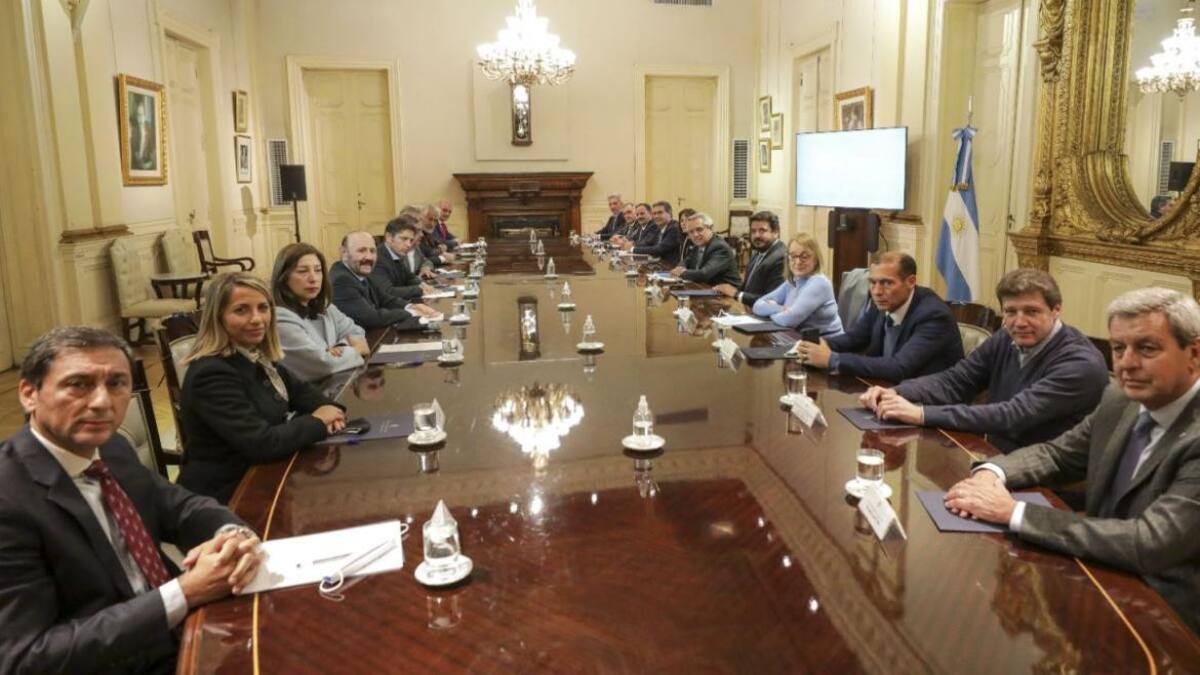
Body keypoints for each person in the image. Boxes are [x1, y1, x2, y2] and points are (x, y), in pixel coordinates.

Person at [0, 327, 263, 673]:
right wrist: (184, 592)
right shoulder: (9, 498)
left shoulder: (111, 448)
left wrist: (233, 535)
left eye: (117, 384)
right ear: (29, 393)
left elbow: (181, 506)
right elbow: (26, 657)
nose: (102, 402)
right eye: (78, 384)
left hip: (189, 631)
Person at [945, 288, 1200, 634]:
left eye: (1147, 348)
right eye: (1119, 348)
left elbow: (1148, 542)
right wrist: (994, 473)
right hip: (1100, 575)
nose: (1126, 363)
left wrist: (1013, 512)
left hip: (1169, 615)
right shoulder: (1119, 400)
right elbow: (1057, 453)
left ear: (1195, 354)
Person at [860, 269, 1109, 452]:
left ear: (1056, 310)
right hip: (993, 457)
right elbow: (956, 380)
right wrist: (896, 393)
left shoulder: (1080, 364)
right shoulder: (1007, 336)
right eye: (1010, 312)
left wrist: (921, 414)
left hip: (1047, 477)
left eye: (1032, 311)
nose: (1019, 322)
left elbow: (1012, 415)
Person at [177, 272, 346, 503]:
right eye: (241, 310)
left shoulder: (253, 355)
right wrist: (318, 421)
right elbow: (262, 443)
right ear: (218, 317)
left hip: (263, 477)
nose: (257, 319)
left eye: (263, 308)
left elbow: (303, 393)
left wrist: (330, 410)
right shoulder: (211, 373)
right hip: (225, 497)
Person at [796, 252, 963, 380]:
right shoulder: (883, 301)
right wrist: (821, 344)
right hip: (888, 392)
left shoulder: (933, 315)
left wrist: (833, 359)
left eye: (887, 283)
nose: (877, 291)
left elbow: (899, 367)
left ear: (911, 282)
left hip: (927, 404)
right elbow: (855, 338)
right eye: (873, 282)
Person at [272, 242, 370, 381]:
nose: (313, 278)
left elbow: (356, 332)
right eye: (303, 271)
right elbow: (323, 365)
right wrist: (356, 350)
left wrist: (340, 347)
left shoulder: (325, 306)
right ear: (284, 277)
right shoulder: (279, 318)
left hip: (333, 385)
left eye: (318, 270)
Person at [331, 231, 438, 331]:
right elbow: (370, 318)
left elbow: (384, 298)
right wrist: (411, 312)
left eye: (372, 251)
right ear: (344, 253)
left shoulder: (359, 270)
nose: (369, 257)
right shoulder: (341, 280)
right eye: (361, 250)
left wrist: (411, 306)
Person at [751, 233, 842, 336]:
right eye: (793, 256)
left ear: (816, 259)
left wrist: (772, 310)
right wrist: (781, 309)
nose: (798, 262)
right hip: (799, 339)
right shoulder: (793, 281)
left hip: (826, 344)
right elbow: (757, 305)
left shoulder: (819, 283)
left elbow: (789, 320)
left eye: (804, 256)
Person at [713, 210, 786, 308]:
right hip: (747, 311)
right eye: (753, 231)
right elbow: (747, 288)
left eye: (762, 230)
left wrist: (736, 294)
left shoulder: (780, 258)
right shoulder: (758, 252)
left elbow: (771, 300)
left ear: (776, 232)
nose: (756, 235)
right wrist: (726, 290)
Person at [373, 215, 435, 302]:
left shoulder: (397, 254)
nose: (408, 245)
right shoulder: (377, 258)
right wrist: (419, 290)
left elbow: (409, 278)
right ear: (389, 238)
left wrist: (423, 285)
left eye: (410, 240)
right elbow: (387, 292)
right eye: (404, 239)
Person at [670, 212, 741, 286]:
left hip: (726, 294)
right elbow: (687, 261)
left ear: (710, 228)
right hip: (707, 288)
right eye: (691, 232)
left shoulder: (719, 247)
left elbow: (704, 274)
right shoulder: (698, 245)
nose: (695, 235)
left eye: (699, 229)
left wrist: (681, 273)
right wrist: (680, 267)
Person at [624, 201, 683, 265]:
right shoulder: (662, 228)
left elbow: (659, 249)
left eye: (660, 213)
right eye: (654, 213)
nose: (656, 216)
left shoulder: (674, 228)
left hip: (670, 268)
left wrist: (632, 249)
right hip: (659, 265)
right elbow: (654, 247)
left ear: (670, 213)